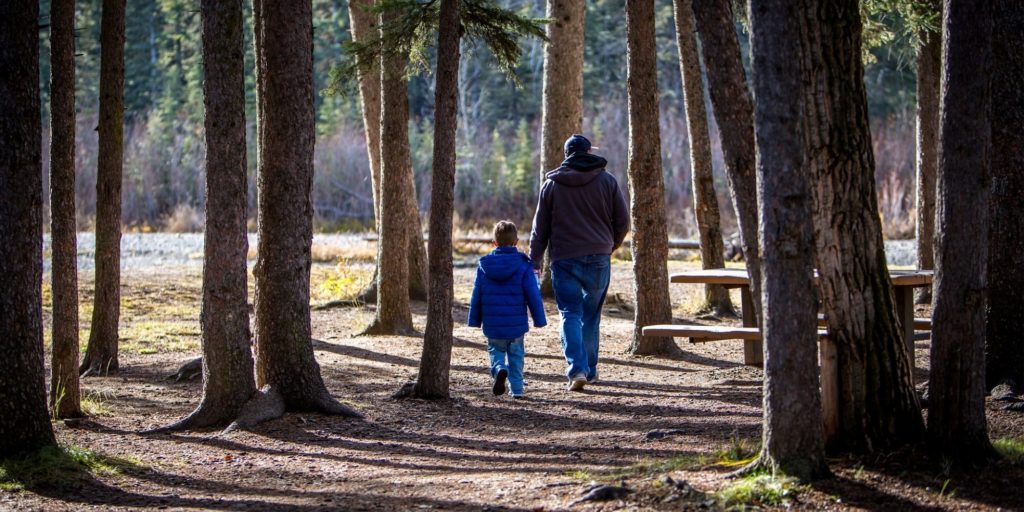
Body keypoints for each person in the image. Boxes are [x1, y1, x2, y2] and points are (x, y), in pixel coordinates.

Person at [529, 134, 630, 391]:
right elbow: (623, 221)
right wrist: (610, 245)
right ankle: (590, 371)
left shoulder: (551, 185)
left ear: (567, 155)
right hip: (598, 257)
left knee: (570, 314)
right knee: (591, 316)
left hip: (564, 258)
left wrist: (535, 260)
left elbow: (539, 229)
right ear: (588, 152)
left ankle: (577, 370)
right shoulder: (607, 181)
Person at [468, 221, 547, 398]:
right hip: (516, 324)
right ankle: (517, 390)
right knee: (516, 356)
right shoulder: (524, 266)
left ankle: (499, 369)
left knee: (495, 351)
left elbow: (476, 294)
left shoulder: (484, 267)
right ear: (516, 242)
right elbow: (533, 294)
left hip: (493, 324)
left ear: (494, 243)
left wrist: (474, 319)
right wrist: (539, 319)